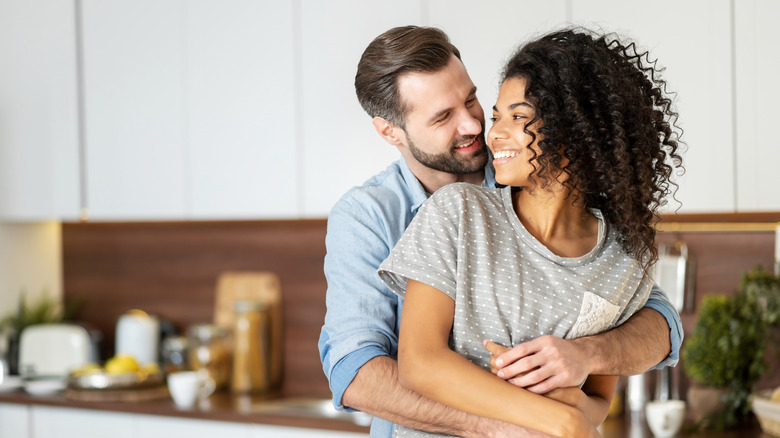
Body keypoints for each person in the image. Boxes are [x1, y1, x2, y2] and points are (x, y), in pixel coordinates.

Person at [319, 25, 683, 438]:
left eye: (472, 100)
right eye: (443, 116)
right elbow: (356, 372)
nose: (476, 127)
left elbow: (656, 321)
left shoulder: (535, 179)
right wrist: (522, 424)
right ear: (391, 132)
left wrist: (584, 360)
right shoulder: (371, 215)